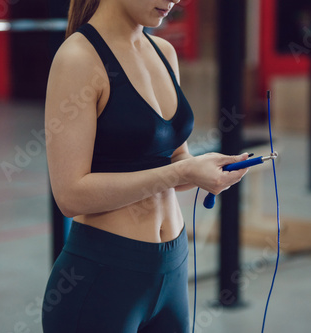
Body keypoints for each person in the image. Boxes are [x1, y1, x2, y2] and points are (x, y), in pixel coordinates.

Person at [41, 0, 250, 332]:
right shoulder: (78, 59)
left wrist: (201, 169)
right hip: (104, 276)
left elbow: (175, 159)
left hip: (174, 268)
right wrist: (180, 172)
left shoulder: (163, 52)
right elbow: (70, 196)